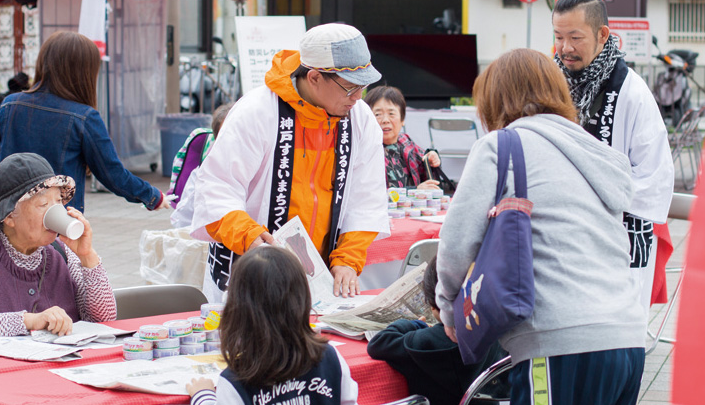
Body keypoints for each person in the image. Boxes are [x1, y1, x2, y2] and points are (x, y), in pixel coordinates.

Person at [435, 49, 646, 405]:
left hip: (557, 341)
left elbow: (457, 244)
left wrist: (448, 308)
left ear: (495, 99)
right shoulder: (596, 152)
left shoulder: (500, 146)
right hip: (627, 338)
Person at [190, 23, 390, 303]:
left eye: (363, 86)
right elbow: (216, 188)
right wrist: (249, 236)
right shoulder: (257, 111)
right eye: (349, 88)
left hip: (320, 277)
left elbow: (366, 197)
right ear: (314, 77)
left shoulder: (360, 119)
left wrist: (348, 257)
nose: (358, 97)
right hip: (252, 268)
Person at [552, 0, 674, 309]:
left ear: (603, 34)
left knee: (616, 345)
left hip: (618, 242)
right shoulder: (549, 84)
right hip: (560, 240)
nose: (564, 48)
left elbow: (655, 176)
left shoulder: (632, 92)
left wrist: (586, 191)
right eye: (558, 36)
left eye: (575, 37)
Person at [0, 31, 169, 216]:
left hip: (5, 216)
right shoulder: (85, 118)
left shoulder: (9, 105)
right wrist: (153, 196)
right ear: (85, 72)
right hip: (54, 221)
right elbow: (113, 176)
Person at [0, 152, 117, 336]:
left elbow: (104, 318)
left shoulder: (63, 252)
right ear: (10, 216)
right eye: (43, 204)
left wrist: (87, 255)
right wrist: (30, 321)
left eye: (59, 201)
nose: (55, 211)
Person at [186, 246, 358, 405]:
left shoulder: (236, 380)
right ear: (302, 299)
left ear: (237, 310)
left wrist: (203, 395)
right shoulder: (330, 357)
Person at [367, 255, 507, 404]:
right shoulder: (500, 335)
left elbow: (379, 343)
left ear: (433, 304)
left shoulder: (426, 341)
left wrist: (415, 324)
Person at [363, 86, 442, 190]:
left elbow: (426, 165)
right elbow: (373, 194)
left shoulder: (405, 142)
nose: (385, 120)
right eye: (378, 114)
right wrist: (416, 191)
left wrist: (432, 157)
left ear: (402, 119)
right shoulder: (364, 151)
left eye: (391, 114)